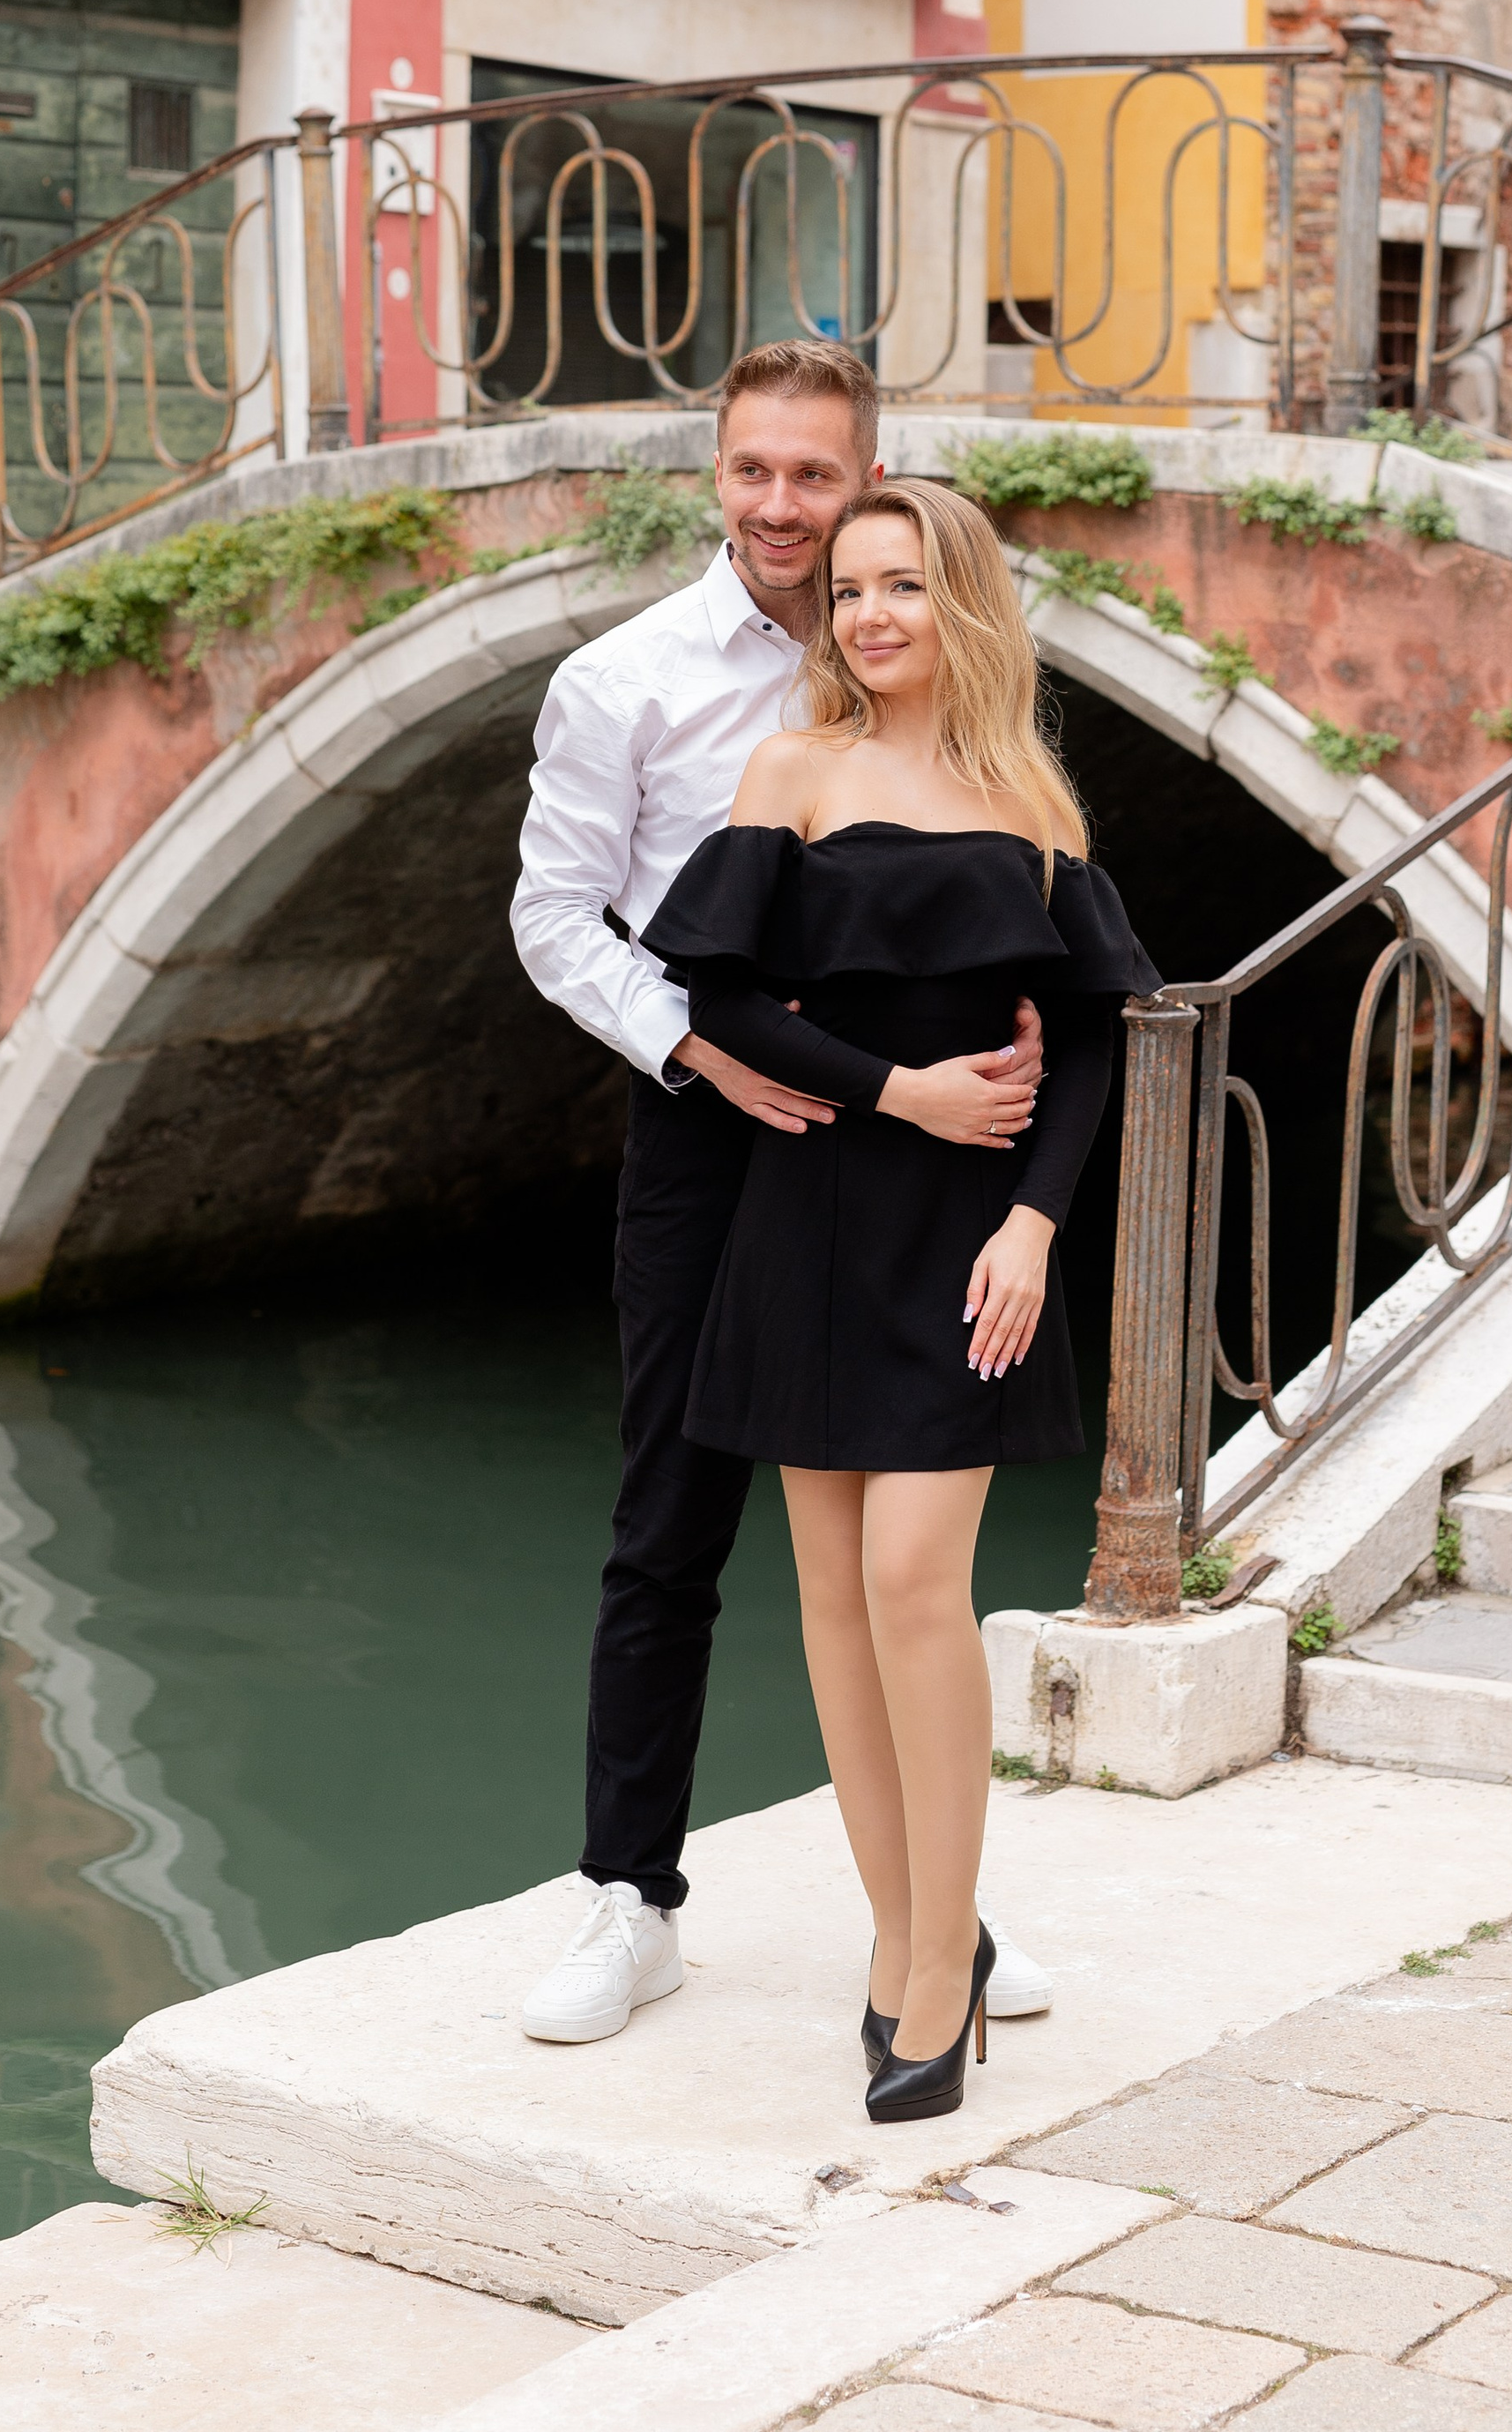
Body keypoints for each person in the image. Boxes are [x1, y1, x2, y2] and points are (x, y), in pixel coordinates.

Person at [510, 344, 1057, 2047]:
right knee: (674, 1518)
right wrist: (700, 1052)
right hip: (712, 1131)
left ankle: (935, 1929)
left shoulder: (934, 666)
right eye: (755, 471)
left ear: (867, 478)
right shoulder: (629, 681)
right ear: (717, 472)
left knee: (901, 1564)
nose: (782, 508)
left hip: (910, 1158)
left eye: (816, 477)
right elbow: (554, 918)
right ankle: (630, 1897)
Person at [641, 480, 1157, 2120]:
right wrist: (895, 1091)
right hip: (809, 1225)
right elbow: (716, 990)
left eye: (904, 588)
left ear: (965, 605)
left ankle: (945, 1968)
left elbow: (1087, 1040)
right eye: (851, 590)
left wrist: (1033, 1224)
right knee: (836, 1606)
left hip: (969, 1243)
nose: (868, 616)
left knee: (920, 1582)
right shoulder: (791, 773)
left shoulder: (1035, 801)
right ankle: (903, 1936)